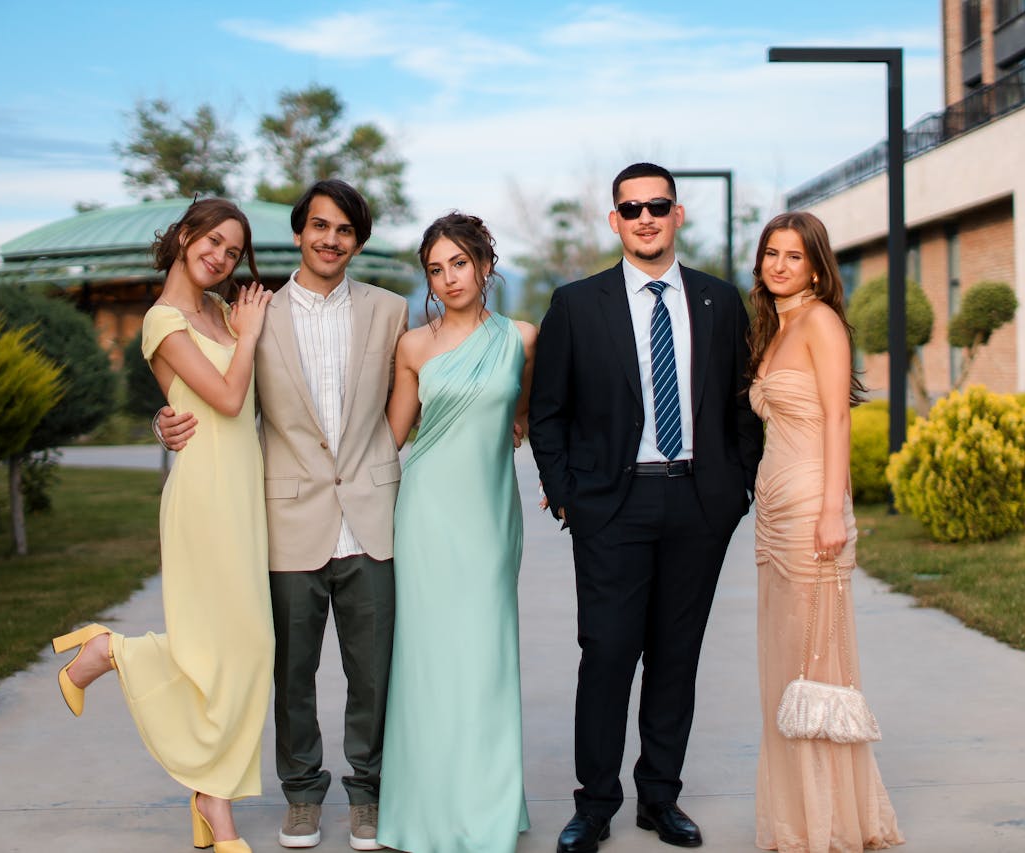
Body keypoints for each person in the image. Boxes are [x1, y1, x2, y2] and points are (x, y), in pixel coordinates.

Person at [157, 180, 409, 851]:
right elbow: (210, 384)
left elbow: (413, 393)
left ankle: (369, 793)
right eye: (319, 226)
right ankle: (301, 793)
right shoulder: (251, 311)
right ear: (299, 232)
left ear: (358, 241)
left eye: (345, 230)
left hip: (371, 513)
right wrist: (163, 417)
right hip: (287, 520)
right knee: (291, 672)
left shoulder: (391, 310)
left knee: (374, 672)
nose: (331, 240)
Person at [530, 162, 765, 852]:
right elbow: (549, 412)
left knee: (675, 656)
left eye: (657, 205)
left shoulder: (720, 301)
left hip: (699, 501)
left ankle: (660, 797)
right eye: (631, 208)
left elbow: (740, 402)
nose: (645, 218)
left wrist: (737, 487)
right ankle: (595, 802)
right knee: (606, 652)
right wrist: (570, 496)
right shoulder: (577, 304)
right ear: (615, 220)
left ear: (677, 214)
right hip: (613, 503)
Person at [51, 197, 274, 853]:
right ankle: (213, 798)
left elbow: (221, 404)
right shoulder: (162, 318)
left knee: (245, 649)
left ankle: (207, 791)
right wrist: (251, 335)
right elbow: (229, 397)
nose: (221, 256)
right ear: (184, 235)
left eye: (234, 251)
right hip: (203, 493)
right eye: (213, 241)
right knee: (221, 648)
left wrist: (244, 329)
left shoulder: (225, 311)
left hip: (242, 492)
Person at [377, 212, 537, 853]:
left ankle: (490, 809)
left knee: (486, 661)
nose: (448, 279)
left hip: (490, 519)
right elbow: (390, 437)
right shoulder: (413, 347)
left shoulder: (523, 338)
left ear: (485, 266)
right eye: (436, 269)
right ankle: (422, 812)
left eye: (459, 264)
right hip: (426, 519)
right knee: (427, 665)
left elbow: (521, 415)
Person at [747, 211, 904, 852]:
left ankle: (828, 824)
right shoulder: (774, 329)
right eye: (771, 254)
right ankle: (797, 818)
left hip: (814, 509)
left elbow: (837, 421)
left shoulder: (820, 322)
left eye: (794, 256)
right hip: (773, 514)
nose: (780, 266)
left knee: (816, 669)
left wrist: (835, 509)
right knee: (784, 668)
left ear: (816, 266)